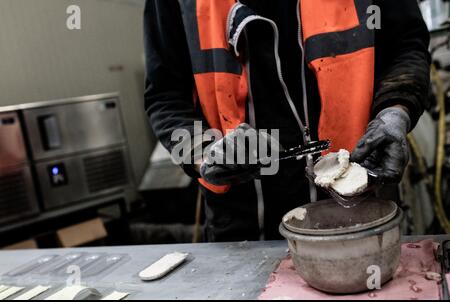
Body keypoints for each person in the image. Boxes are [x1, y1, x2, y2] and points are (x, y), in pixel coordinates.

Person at [143, 0, 431, 242]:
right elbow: (163, 95)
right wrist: (202, 153)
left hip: (360, 209)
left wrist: (397, 110)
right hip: (239, 231)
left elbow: (406, 45)